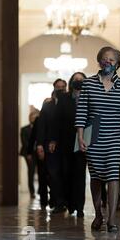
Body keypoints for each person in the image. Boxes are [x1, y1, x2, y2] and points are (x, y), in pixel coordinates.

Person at [75, 47, 120, 232]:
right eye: (104, 59)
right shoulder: (88, 83)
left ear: (117, 64)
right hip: (93, 137)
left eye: (111, 59)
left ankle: (111, 219)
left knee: (113, 176)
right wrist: (80, 137)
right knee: (95, 176)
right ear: (99, 62)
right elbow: (82, 111)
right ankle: (98, 214)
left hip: (115, 136)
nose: (107, 62)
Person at [51, 72, 88, 218]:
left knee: (79, 175)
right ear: (71, 82)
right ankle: (66, 203)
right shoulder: (63, 98)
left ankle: (79, 207)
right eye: (76, 79)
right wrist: (53, 139)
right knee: (65, 173)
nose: (78, 82)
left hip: (83, 142)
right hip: (65, 141)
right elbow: (56, 120)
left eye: (81, 80)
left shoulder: (88, 98)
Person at [37, 79, 67, 214]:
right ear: (54, 88)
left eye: (63, 87)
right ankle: (57, 201)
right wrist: (40, 145)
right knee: (53, 175)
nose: (60, 89)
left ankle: (67, 201)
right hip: (50, 146)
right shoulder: (47, 106)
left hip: (66, 144)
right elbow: (41, 126)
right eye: (58, 87)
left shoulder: (69, 103)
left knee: (65, 174)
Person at [20, 109, 39, 199]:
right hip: (29, 153)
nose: (34, 119)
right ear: (29, 118)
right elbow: (25, 142)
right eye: (32, 117)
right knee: (31, 172)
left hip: (39, 153)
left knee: (41, 172)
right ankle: (32, 192)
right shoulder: (24, 129)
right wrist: (29, 153)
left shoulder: (41, 128)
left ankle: (41, 190)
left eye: (35, 117)